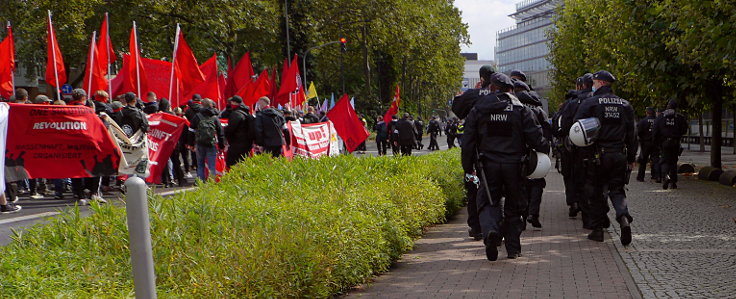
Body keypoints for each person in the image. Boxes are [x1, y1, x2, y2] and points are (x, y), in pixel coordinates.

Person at [462, 72, 549, 261]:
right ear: (510, 89)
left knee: (487, 202)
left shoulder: (479, 107)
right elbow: (535, 137)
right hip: (514, 165)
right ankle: (513, 248)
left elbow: (468, 140)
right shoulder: (520, 109)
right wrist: (545, 149)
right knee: (515, 206)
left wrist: (468, 168)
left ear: (491, 88)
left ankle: (491, 231)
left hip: (488, 166)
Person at [574, 70, 635, 246]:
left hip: (597, 155)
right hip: (619, 154)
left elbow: (578, 130)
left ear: (600, 83)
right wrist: (631, 157)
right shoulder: (625, 105)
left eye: (594, 82)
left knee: (596, 192)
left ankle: (598, 230)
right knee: (617, 189)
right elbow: (632, 134)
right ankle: (623, 216)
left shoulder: (590, 103)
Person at [556, 74, 593, 221]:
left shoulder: (570, 103)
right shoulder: (595, 101)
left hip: (573, 146)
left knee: (572, 176)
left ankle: (574, 203)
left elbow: (563, 126)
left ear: (581, 86)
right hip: (595, 147)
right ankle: (592, 211)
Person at [514, 79, 551, 229]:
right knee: (537, 183)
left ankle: (522, 218)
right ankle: (533, 214)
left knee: (520, 185)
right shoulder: (538, 110)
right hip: (536, 153)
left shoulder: (514, 109)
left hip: (518, 153)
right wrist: (545, 149)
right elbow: (547, 131)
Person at [652, 100, 688, 189]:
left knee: (664, 161)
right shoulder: (680, 117)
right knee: (673, 162)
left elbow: (655, 131)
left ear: (667, 106)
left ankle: (665, 177)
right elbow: (684, 130)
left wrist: (656, 142)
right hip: (675, 142)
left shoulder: (660, 117)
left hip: (664, 142)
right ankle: (673, 182)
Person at [189, 98, 225, 181]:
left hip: (199, 143)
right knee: (212, 165)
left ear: (202, 105)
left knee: (200, 164)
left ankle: (201, 182)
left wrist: (191, 144)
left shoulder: (197, 116)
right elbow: (220, 133)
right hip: (211, 143)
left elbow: (190, 131)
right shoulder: (215, 117)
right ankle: (212, 182)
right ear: (211, 105)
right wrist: (221, 146)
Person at [224, 96, 255, 168]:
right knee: (243, 161)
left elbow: (231, 129)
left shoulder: (236, 114)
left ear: (235, 102)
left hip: (237, 142)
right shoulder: (246, 112)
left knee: (232, 163)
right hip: (246, 142)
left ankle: (237, 178)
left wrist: (227, 135)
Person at [636, 107, 658, 182]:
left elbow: (638, 132)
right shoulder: (657, 121)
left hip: (645, 143)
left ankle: (641, 177)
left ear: (647, 113)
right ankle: (656, 175)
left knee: (643, 160)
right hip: (655, 142)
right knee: (655, 159)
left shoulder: (643, 121)